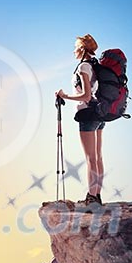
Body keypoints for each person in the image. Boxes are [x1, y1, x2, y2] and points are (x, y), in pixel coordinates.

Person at [55, 34, 104, 205]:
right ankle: (96, 195)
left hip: (87, 114)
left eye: (76, 47)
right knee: (97, 157)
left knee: (90, 158)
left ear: (82, 49)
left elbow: (86, 95)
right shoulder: (96, 65)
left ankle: (91, 197)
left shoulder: (83, 66)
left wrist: (64, 96)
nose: (74, 50)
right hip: (100, 113)